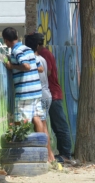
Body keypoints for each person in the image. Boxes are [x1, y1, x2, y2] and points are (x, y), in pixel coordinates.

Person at [36, 33, 79, 166]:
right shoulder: (43, 53)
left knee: (59, 125)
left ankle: (66, 154)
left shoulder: (43, 53)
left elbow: (47, 72)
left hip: (52, 94)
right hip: (50, 93)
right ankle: (60, 153)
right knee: (52, 125)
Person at [2, 27, 44, 132]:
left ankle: (21, 146)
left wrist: (12, 67)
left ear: (6, 40)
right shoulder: (28, 49)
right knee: (37, 118)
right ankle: (41, 146)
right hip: (36, 91)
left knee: (20, 121)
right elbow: (40, 68)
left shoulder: (16, 51)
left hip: (25, 93)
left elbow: (26, 66)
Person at [25, 33, 55, 162]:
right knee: (44, 125)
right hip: (46, 94)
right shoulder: (41, 59)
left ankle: (47, 155)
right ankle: (50, 156)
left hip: (40, 95)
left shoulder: (34, 60)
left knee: (40, 124)